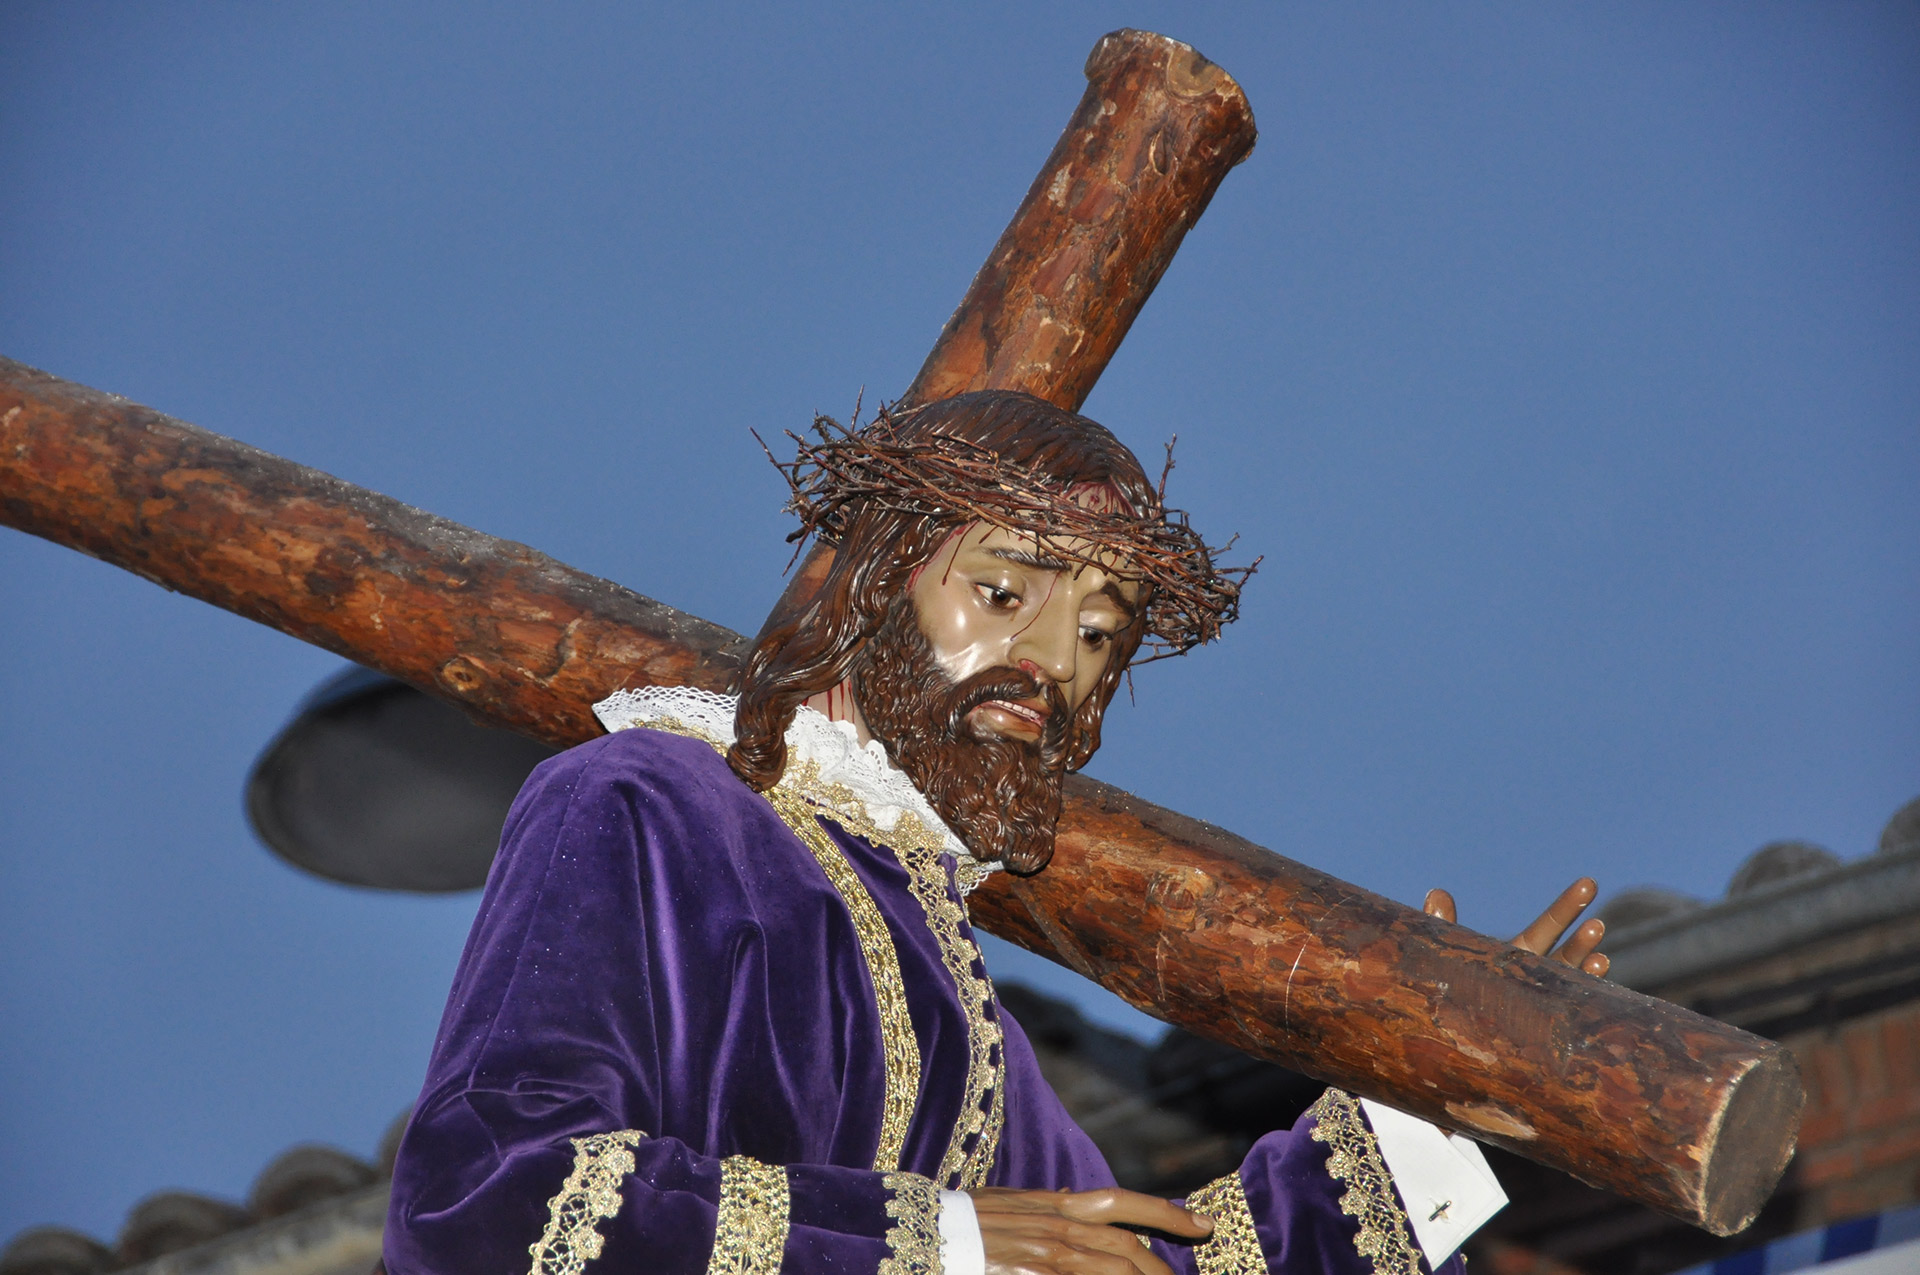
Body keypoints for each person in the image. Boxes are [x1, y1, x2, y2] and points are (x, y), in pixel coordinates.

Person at [384, 391, 1608, 1275]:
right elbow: (490, 1198)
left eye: (1100, 636)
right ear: (881, 580)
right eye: (1005, 592)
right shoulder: (651, 803)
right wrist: (942, 1242)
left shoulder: (969, 1035)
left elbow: (1145, 1261)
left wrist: (1430, 1117)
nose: (1053, 664)